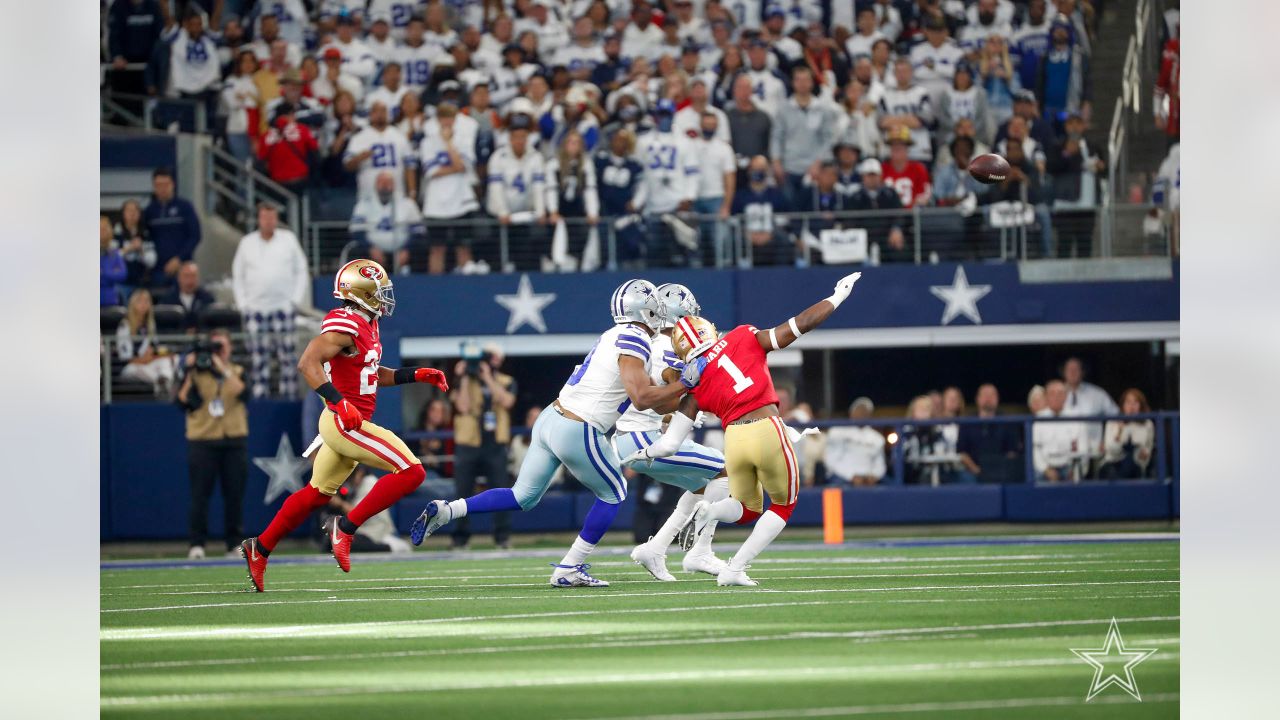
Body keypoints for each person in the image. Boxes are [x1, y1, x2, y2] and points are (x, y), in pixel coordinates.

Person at [412, 280, 696, 587]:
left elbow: (648, 399)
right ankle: (569, 566)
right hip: (578, 426)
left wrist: (679, 394)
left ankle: (448, 510)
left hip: (551, 418)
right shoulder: (636, 337)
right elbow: (641, 397)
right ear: (647, 309)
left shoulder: (614, 335)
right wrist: (687, 384)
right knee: (614, 493)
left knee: (523, 496)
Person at [625, 272, 863, 586]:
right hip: (766, 427)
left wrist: (637, 455)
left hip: (733, 438)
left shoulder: (692, 381)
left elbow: (669, 438)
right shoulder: (740, 336)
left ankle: (707, 520)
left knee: (747, 508)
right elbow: (798, 326)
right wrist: (838, 296)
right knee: (784, 505)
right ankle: (733, 564)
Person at [238, 259, 449, 591]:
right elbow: (308, 363)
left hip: (347, 419)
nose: (385, 299)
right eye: (379, 292)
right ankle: (346, 529)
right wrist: (338, 402)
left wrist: (417, 375)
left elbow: (371, 374)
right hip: (344, 421)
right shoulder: (345, 322)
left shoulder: (367, 322)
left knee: (316, 494)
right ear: (361, 293)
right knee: (412, 471)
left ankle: (259, 548)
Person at [615, 285, 731, 580]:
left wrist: (674, 415)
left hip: (636, 436)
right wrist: (686, 405)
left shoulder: (653, 343)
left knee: (702, 486)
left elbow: (656, 402)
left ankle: (655, 549)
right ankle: (701, 551)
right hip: (643, 440)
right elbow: (667, 387)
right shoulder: (668, 348)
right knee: (724, 470)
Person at [176, 329, 248, 560]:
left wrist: (222, 367)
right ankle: (197, 544)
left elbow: (243, 393)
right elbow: (182, 400)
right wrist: (189, 369)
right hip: (202, 441)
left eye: (222, 347)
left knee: (234, 495)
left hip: (233, 441)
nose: (217, 352)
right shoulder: (196, 374)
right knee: (199, 495)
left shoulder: (237, 371)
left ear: (229, 349)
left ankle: (233, 543)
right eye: (213, 347)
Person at [231, 203, 310, 398]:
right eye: (265, 217)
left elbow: (302, 269)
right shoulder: (246, 242)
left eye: (272, 217)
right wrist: (243, 305)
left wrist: (295, 301)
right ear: (259, 219)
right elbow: (237, 274)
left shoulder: (288, 240)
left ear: (276, 219)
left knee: (288, 358)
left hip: (283, 307)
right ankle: (260, 399)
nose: (268, 221)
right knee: (259, 359)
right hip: (255, 309)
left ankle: (289, 397)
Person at [447, 343, 518, 551]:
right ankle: (460, 538)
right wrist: (465, 377)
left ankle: (502, 537)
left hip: (495, 443)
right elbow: (462, 407)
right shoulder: (464, 381)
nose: (488, 362)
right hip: (468, 443)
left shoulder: (506, 381)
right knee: (462, 491)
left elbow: (506, 402)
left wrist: (488, 377)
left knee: (501, 491)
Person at [416, 103, 484, 275]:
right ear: (438, 120)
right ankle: (435, 289)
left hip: (461, 200)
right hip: (436, 203)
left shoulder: (463, 140)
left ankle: (467, 287)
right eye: (443, 117)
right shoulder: (428, 142)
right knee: (437, 248)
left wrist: (448, 143)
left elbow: (464, 166)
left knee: (463, 247)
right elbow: (431, 171)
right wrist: (455, 167)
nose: (447, 121)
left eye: (450, 117)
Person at [770, 66, 841, 207]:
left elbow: (828, 139)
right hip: (789, 167)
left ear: (811, 83)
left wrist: (818, 163)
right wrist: (776, 161)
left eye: (806, 80)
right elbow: (777, 137)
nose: (802, 83)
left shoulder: (822, 108)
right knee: (791, 207)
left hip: (814, 168)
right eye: (798, 80)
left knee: (813, 207)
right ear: (793, 83)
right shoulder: (783, 109)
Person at [485, 114, 549, 271]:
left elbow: (538, 186)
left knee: (526, 256)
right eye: (516, 137)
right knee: (498, 258)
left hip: (525, 215)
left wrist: (540, 211)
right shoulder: (498, 157)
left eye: (523, 136)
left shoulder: (536, 157)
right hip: (500, 217)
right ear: (510, 138)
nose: (520, 140)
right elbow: (496, 188)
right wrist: (502, 212)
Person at [1048, 111, 1105, 258]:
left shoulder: (1093, 146)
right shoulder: (1057, 146)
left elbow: (1105, 169)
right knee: (1064, 246)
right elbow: (1052, 168)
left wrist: (1100, 167)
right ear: (1066, 126)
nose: (1074, 127)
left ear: (1083, 126)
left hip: (1087, 204)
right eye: (1071, 123)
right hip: (1065, 204)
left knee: (1085, 246)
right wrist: (1066, 153)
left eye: (1078, 123)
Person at [545, 130, 601, 271]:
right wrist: (553, 211)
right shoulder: (554, 164)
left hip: (578, 212)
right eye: (570, 142)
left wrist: (592, 212)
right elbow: (550, 189)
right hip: (559, 212)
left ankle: (579, 269)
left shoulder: (586, 164)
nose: (573, 146)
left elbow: (590, 189)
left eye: (577, 143)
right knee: (554, 244)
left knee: (579, 243)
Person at [349, 171, 426, 273]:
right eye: (381, 182)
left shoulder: (407, 203)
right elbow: (356, 231)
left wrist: (407, 250)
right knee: (356, 251)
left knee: (421, 248)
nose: (385, 186)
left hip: (402, 250)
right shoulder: (364, 204)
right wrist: (371, 248)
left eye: (388, 183)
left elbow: (418, 231)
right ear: (375, 185)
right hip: (372, 250)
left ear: (394, 185)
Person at [344, 100, 417, 202]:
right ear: (370, 114)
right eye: (376, 111)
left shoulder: (399, 136)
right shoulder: (359, 138)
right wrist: (359, 158)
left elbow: (409, 166)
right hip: (368, 196)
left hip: (397, 195)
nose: (380, 114)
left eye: (383, 111)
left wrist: (412, 192)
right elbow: (347, 165)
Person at [594, 128, 648, 267]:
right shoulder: (600, 161)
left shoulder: (634, 164)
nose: (620, 144)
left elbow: (643, 185)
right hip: (604, 213)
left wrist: (635, 203)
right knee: (604, 250)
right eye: (618, 139)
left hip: (625, 214)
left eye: (624, 141)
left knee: (630, 246)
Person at [143, 167, 201, 287]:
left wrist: (179, 259)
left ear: (173, 184)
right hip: (158, 270)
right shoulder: (149, 211)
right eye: (158, 185)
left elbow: (195, 236)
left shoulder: (185, 207)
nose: (162, 189)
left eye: (165, 184)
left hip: (182, 268)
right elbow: (145, 237)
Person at [691, 112, 736, 266]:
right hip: (694, 198)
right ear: (700, 125)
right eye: (706, 124)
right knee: (693, 241)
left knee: (719, 241)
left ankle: (721, 268)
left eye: (712, 125)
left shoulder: (724, 148)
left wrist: (726, 206)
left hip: (716, 198)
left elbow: (730, 178)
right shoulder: (691, 145)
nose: (709, 127)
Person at [732, 155, 792, 267]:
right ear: (749, 171)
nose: (758, 172)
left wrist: (770, 232)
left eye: (761, 169)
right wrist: (747, 233)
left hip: (771, 235)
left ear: (767, 171)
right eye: (755, 168)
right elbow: (734, 220)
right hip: (747, 236)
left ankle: (781, 274)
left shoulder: (776, 195)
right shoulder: (740, 196)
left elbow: (784, 219)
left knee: (784, 240)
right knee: (733, 240)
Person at [957, 383, 1023, 483]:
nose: (988, 399)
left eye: (992, 395)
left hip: (1001, 471)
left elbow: (1012, 452)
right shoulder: (967, 422)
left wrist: (999, 471)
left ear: (997, 399)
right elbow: (962, 452)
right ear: (977, 399)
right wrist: (976, 470)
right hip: (974, 471)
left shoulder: (1007, 422)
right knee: (964, 477)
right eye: (984, 395)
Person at [116, 288, 178, 395]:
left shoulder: (150, 325)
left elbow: (154, 348)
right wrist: (146, 359)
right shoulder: (124, 325)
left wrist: (164, 354)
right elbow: (125, 358)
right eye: (140, 301)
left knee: (167, 361)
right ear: (133, 304)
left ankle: (163, 383)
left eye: (147, 301)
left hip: (148, 363)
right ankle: (162, 385)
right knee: (133, 370)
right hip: (133, 366)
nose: (144, 304)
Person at [878, 58, 936, 166]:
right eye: (898, 71)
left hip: (919, 150)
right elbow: (882, 122)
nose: (902, 75)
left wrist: (894, 119)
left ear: (911, 73)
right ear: (894, 74)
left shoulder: (922, 93)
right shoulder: (885, 95)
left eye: (905, 71)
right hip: (891, 152)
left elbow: (924, 120)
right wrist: (909, 118)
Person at [1036, 17, 1092, 126]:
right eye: (1057, 30)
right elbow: (1039, 83)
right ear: (1052, 33)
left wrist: (1087, 103)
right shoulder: (1045, 57)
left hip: (1072, 110)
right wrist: (1037, 105)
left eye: (1063, 30)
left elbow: (1087, 82)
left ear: (1069, 33)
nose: (1060, 33)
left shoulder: (1079, 56)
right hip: (1048, 110)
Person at [1061, 356, 1119, 457]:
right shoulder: (1055, 394)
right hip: (1062, 452)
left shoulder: (1097, 394)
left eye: (1076, 369)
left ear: (1082, 372)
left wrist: (1107, 441)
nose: (1072, 372)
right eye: (1069, 369)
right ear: (1064, 372)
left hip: (1092, 451)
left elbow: (1116, 417)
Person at [258, 101, 319, 195]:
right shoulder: (302, 129)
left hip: (277, 184)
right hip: (300, 181)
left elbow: (261, 157)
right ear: (291, 114)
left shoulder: (266, 135)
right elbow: (314, 147)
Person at [1033, 380, 1089, 483]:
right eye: (1052, 394)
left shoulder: (1076, 418)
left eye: (1060, 393)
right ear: (1046, 397)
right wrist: (1046, 470)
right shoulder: (1038, 418)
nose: (1056, 397)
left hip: (1069, 467)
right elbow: (1035, 449)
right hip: (1046, 468)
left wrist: (1074, 469)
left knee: (1077, 479)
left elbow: (1083, 447)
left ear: (1066, 396)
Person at [823, 397, 886, 486]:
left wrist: (874, 476)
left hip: (868, 479)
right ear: (851, 412)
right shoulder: (838, 431)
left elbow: (880, 465)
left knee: (890, 486)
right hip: (841, 477)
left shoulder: (877, 438)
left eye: (865, 411)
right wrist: (851, 476)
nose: (862, 414)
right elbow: (831, 461)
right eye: (859, 410)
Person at [724, 73, 772, 185]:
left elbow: (769, 144)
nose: (743, 91)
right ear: (734, 91)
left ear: (752, 91)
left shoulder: (763, 117)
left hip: (758, 170)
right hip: (732, 170)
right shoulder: (726, 116)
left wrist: (762, 160)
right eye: (740, 87)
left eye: (746, 88)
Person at [1099, 388, 1155, 480]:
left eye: (1135, 403)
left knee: (1134, 466)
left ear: (1140, 406)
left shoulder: (1147, 424)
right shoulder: (1112, 422)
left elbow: (1148, 447)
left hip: (1136, 464)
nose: (1131, 406)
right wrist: (1119, 432)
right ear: (1123, 405)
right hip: (1113, 463)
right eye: (1128, 402)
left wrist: (1145, 454)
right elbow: (1111, 450)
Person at [881, 126, 932, 208]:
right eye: (893, 144)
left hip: (912, 217)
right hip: (887, 217)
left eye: (901, 144)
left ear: (908, 148)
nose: (897, 147)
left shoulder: (919, 169)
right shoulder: (882, 169)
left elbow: (924, 196)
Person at [160, 261, 215, 333]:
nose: (189, 281)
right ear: (179, 278)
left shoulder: (207, 298)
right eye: (186, 276)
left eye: (193, 276)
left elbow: (212, 323)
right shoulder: (168, 299)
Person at [114, 200, 155, 290]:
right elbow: (111, 258)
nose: (132, 214)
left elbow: (152, 261)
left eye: (135, 211)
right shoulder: (115, 232)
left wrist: (141, 250)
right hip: (120, 282)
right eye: (129, 210)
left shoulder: (146, 233)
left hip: (141, 281)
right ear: (123, 213)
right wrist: (128, 249)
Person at [101, 216, 128, 307]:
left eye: (105, 228)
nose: (103, 231)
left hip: (111, 300)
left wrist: (103, 273)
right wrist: (111, 273)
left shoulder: (115, 253)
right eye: (100, 228)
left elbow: (122, 274)